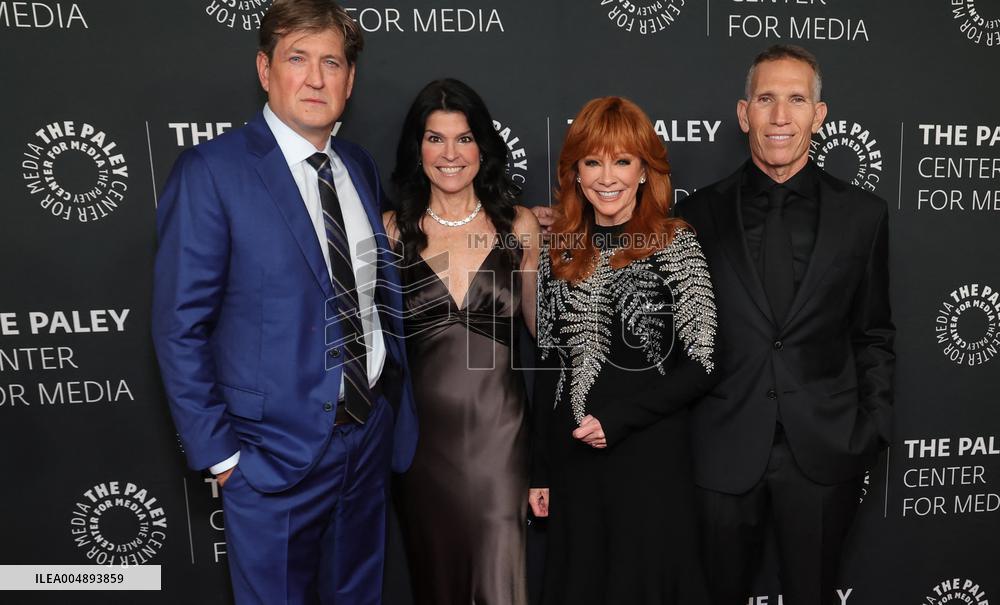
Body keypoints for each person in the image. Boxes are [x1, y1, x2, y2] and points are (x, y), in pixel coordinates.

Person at [151, 1, 417, 602]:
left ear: (351, 80)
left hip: (367, 438)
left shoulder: (358, 166)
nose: (316, 78)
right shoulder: (210, 171)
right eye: (298, 59)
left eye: (332, 62)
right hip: (270, 459)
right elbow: (179, 327)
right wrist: (223, 459)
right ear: (265, 69)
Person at [674, 45, 894, 605]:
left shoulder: (862, 215)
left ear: (818, 116)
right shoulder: (697, 215)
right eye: (766, 99)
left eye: (796, 99)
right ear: (744, 113)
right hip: (721, 449)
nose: (779, 117)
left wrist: (870, 430)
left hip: (823, 451)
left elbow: (872, 333)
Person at [529, 96, 718, 605]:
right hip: (576, 467)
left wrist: (620, 419)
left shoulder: (676, 243)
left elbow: (702, 365)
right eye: (592, 162)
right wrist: (540, 469)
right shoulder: (560, 250)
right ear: (575, 173)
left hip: (651, 462)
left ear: (644, 171)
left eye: (622, 160)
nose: (606, 177)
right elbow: (551, 366)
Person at [383, 78, 541, 605]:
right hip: (421, 446)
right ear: (417, 148)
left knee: (501, 585)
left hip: (501, 440)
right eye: (435, 139)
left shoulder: (518, 226)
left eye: (464, 138)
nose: (450, 154)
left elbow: (546, 332)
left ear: (483, 147)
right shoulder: (391, 231)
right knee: (437, 585)